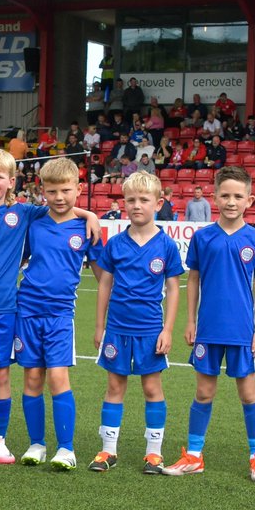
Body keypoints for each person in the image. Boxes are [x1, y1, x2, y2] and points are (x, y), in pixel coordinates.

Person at [0, 149, 98, 465]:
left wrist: (89, 214)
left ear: (12, 182)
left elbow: (60, 204)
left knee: (0, 376)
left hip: (5, 311)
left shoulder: (24, 213)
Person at [163, 166, 255, 482]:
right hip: (208, 329)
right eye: (225, 195)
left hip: (242, 330)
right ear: (214, 197)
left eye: (238, 196)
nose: (231, 201)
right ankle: (194, 456)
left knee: (249, 394)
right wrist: (191, 320)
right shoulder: (203, 237)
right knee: (203, 392)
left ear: (249, 199)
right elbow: (194, 280)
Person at [90, 172, 183, 474]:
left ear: (158, 203)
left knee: (152, 388)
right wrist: (100, 326)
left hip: (150, 330)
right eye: (131, 200)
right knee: (114, 386)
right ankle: (108, 450)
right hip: (117, 329)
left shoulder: (166, 246)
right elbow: (105, 284)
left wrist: (168, 330)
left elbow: (173, 289)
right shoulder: (116, 243)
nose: (136, 205)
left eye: (144, 200)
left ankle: (154, 453)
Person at [15, 159, 100, 470]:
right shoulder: (34, 223)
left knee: (58, 377)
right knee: (32, 378)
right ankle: (36, 444)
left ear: (78, 189)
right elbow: (16, 259)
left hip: (61, 314)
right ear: (42, 191)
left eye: (66, 190)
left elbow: (104, 276)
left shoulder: (86, 228)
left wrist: (90, 214)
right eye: (52, 191)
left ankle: (66, 449)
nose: (59, 197)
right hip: (27, 310)